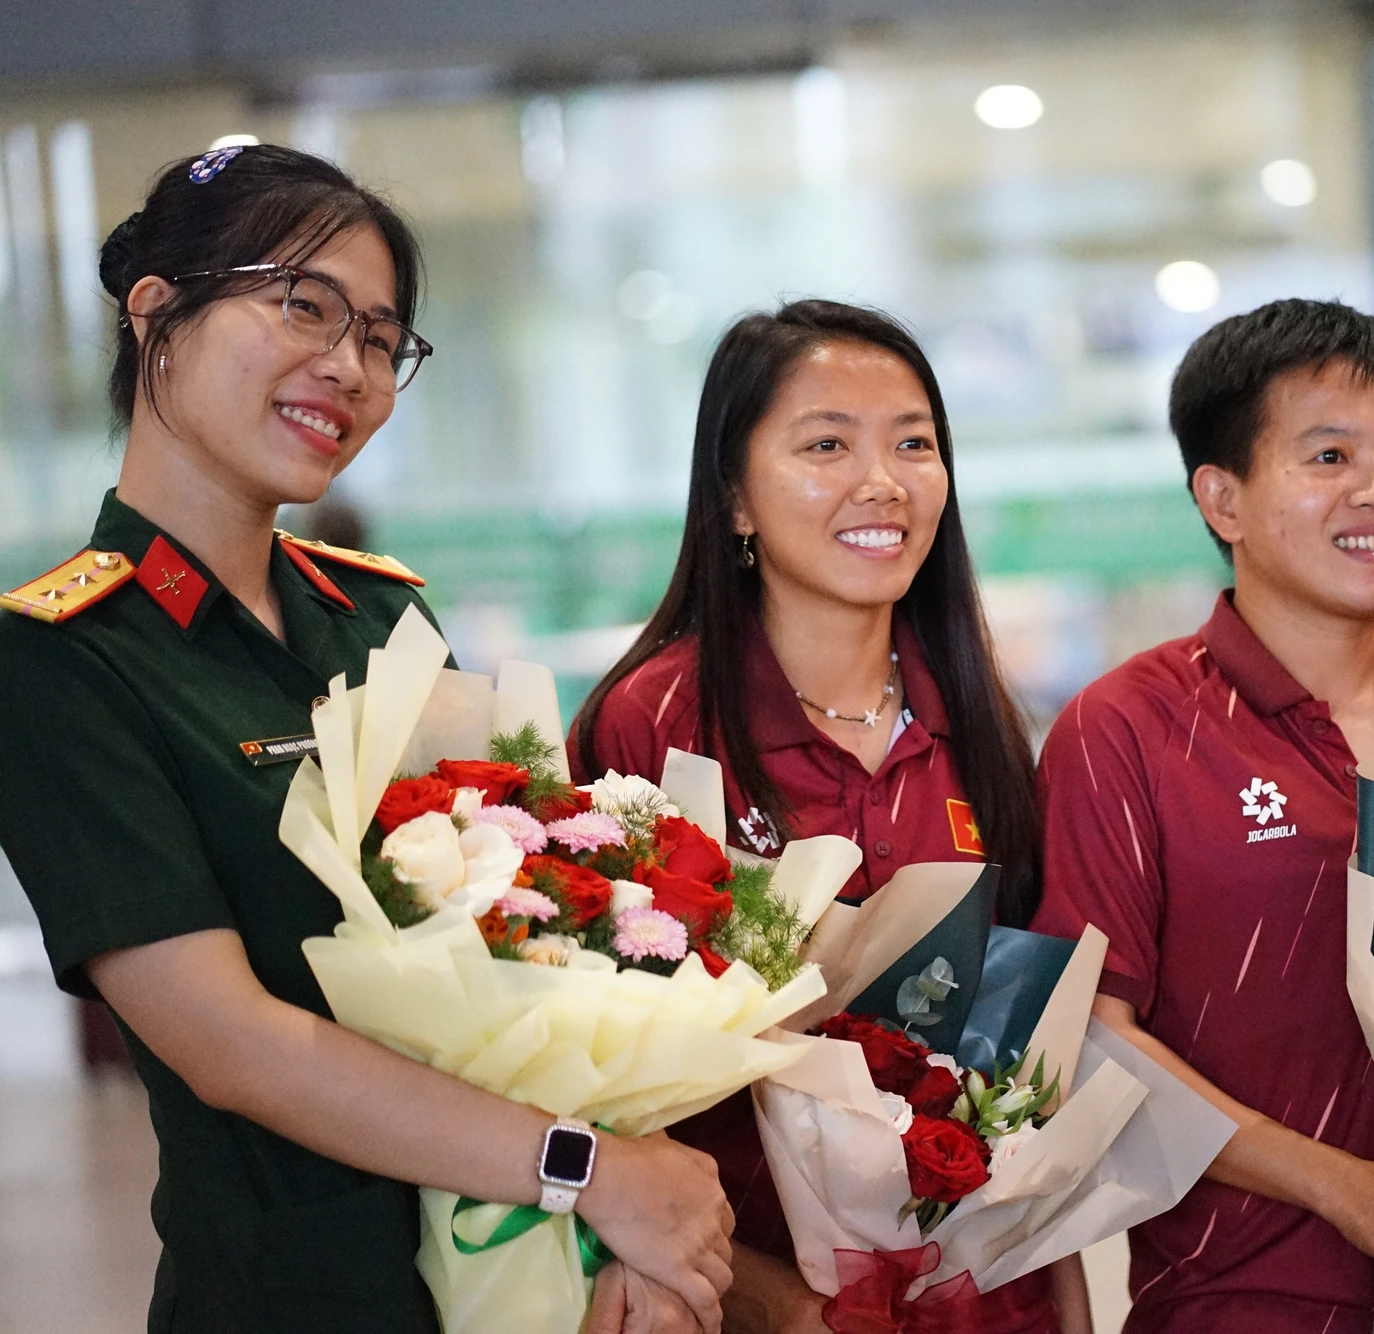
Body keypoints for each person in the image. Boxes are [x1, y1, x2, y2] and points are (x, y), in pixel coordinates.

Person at [0, 145, 730, 1334]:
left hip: (507, 1271)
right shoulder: (65, 657)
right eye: (304, 305)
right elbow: (226, 1040)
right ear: (156, 315)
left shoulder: (378, 615)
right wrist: (586, 1169)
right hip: (292, 1297)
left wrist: (603, 1234)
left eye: (382, 338)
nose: (349, 365)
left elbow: (531, 932)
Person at [1029, 298, 1374, 1333]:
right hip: (1245, 1296)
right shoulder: (1127, 729)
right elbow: (1093, 1034)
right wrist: (1341, 1186)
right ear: (1222, 499)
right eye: (1329, 456)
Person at [569, 299, 1090, 1334]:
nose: (882, 481)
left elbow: (1028, 1068)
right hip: (742, 1296)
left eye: (913, 444)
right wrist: (781, 1306)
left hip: (981, 1298)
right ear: (733, 497)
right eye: (826, 445)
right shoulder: (655, 721)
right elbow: (601, 1084)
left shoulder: (980, 721)